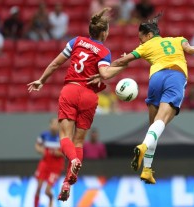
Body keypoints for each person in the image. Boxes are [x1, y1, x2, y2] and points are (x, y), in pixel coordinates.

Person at [27, 7, 127, 201]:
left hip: (70, 90)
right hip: (89, 95)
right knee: (79, 141)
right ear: (104, 32)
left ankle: (72, 160)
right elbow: (105, 74)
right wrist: (122, 64)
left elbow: (56, 64)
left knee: (65, 136)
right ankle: (67, 182)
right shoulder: (104, 51)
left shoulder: (76, 42)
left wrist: (42, 80)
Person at [107, 12, 194, 184]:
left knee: (154, 128)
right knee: (161, 122)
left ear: (149, 35)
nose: (140, 41)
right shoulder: (177, 39)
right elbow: (189, 49)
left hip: (155, 79)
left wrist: (102, 72)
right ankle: (142, 147)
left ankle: (147, 170)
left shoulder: (145, 47)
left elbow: (121, 62)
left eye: (141, 37)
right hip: (175, 77)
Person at [34, 118, 64, 207]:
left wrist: (56, 153)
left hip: (55, 167)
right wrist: (40, 150)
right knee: (38, 187)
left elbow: (65, 153)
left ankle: (51, 199)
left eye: (56, 124)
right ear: (49, 125)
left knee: (47, 191)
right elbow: (37, 145)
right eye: (52, 124)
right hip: (44, 164)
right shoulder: (44, 135)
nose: (54, 126)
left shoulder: (62, 137)